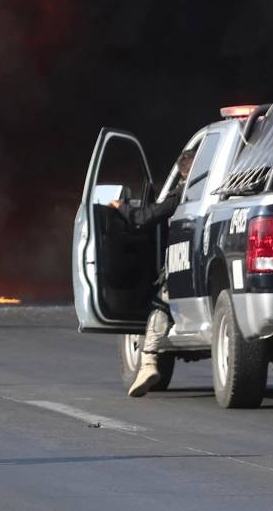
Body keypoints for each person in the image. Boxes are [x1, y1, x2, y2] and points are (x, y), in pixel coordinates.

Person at [110, 149, 193, 397]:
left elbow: (146, 217)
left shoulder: (183, 193)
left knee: (160, 305)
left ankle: (148, 363)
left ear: (182, 172)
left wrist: (120, 208)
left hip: (185, 262)